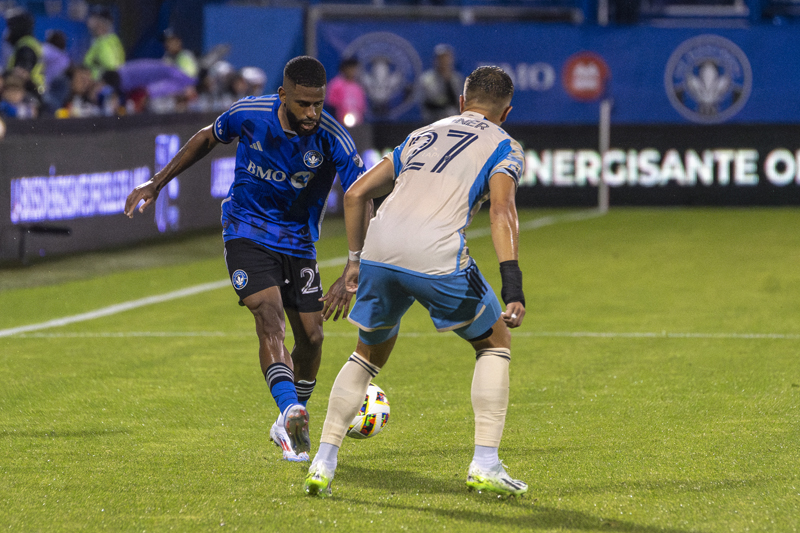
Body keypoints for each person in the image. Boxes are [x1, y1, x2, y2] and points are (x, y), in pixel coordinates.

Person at [124, 56, 366, 462]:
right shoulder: (250, 114)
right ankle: (290, 410)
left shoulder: (332, 137)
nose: (312, 113)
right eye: (304, 104)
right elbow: (206, 136)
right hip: (245, 230)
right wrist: (157, 182)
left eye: (319, 104)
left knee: (312, 338)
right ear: (283, 95)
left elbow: (359, 194)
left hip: (299, 243)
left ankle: (291, 417)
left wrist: (354, 264)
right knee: (268, 316)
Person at [305, 65, 528, 498]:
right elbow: (503, 212)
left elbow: (355, 194)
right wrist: (512, 284)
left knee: (366, 355)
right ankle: (485, 463)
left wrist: (354, 262)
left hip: (379, 248)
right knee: (494, 342)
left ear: (462, 102)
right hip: (435, 253)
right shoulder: (505, 145)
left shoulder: (423, 133)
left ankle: (323, 462)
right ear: (506, 112)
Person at [3, 7, 44, 97]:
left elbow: (21, 73)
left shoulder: (26, 47)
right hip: (34, 93)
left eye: (10, 27)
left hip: (28, 95)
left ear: (19, 27)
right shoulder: (30, 43)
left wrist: (3, 76)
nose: (7, 32)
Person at [418, 43, 464, 122]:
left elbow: (459, 101)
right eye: (441, 58)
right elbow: (427, 103)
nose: (444, 61)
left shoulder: (457, 78)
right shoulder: (426, 79)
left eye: (446, 57)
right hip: (432, 120)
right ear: (435, 60)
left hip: (454, 121)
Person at [83, 6, 125, 80]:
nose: (89, 23)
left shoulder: (104, 44)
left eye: (94, 20)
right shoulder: (110, 40)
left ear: (101, 24)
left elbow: (111, 69)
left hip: (99, 86)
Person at [325, 56, 367, 127]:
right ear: (344, 69)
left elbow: (362, 107)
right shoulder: (336, 85)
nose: (352, 71)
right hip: (339, 122)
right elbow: (330, 104)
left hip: (356, 123)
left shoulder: (358, 87)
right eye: (349, 68)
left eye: (354, 69)